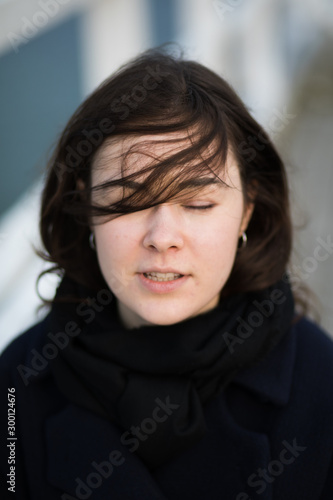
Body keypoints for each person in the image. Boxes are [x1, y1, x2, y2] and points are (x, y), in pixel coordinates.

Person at [1, 48, 333, 500]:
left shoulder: (320, 384)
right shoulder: (18, 382)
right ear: (86, 209)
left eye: (197, 204)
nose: (162, 238)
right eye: (129, 201)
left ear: (247, 211)